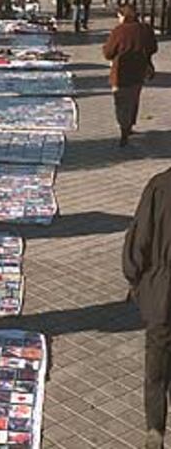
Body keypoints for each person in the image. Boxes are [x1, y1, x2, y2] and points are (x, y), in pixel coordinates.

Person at [123, 168, 171, 449]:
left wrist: (136, 279)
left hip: (162, 292)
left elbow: (139, 241)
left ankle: (155, 429)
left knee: (156, 365)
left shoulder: (160, 186)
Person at [103, 4, 157, 146]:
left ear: (124, 16)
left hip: (120, 72)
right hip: (139, 70)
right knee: (134, 98)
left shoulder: (119, 31)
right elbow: (153, 47)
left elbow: (108, 53)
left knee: (120, 101)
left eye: (119, 16)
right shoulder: (145, 29)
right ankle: (129, 125)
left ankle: (124, 129)